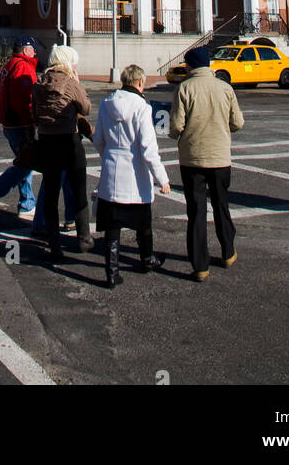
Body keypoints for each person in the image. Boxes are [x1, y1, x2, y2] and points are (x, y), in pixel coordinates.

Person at [169, 45, 244, 281]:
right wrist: (223, 129)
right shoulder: (225, 88)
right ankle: (228, 251)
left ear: (191, 65)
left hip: (192, 158)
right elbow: (238, 122)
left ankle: (200, 265)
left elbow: (175, 127)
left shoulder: (184, 88)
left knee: (197, 211)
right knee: (222, 205)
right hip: (220, 156)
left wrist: (179, 133)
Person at [93, 64, 172, 288]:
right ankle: (147, 260)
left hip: (111, 169)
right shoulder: (142, 107)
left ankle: (111, 272)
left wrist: (108, 155)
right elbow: (148, 148)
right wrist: (162, 178)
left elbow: (98, 138)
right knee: (143, 222)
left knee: (112, 225)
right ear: (139, 83)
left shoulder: (106, 104)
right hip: (135, 173)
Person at [32, 44, 92, 261]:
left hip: (47, 141)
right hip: (69, 140)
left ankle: (53, 243)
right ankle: (84, 237)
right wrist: (77, 83)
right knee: (78, 190)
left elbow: (34, 114)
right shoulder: (69, 82)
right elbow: (86, 108)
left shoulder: (39, 83)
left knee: (50, 192)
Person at [0, 38, 39, 220]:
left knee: (24, 162)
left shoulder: (10, 64)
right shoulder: (22, 67)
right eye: (33, 49)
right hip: (19, 123)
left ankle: (26, 203)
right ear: (26, 50)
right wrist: (29, 122)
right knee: (25, 163)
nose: (35, 52)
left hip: (10, 121)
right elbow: (24, 99)